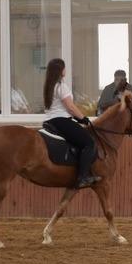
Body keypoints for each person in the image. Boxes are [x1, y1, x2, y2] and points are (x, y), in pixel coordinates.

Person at [43, 58, 101, 189]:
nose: (65, 70)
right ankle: (83, 177)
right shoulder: (61, 86)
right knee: (89, 143)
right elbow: (70, 107)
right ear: (61, 70)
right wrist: (83, 118)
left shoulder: (50, 86)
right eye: (64, 68)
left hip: (51, 120)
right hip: (61, 120)